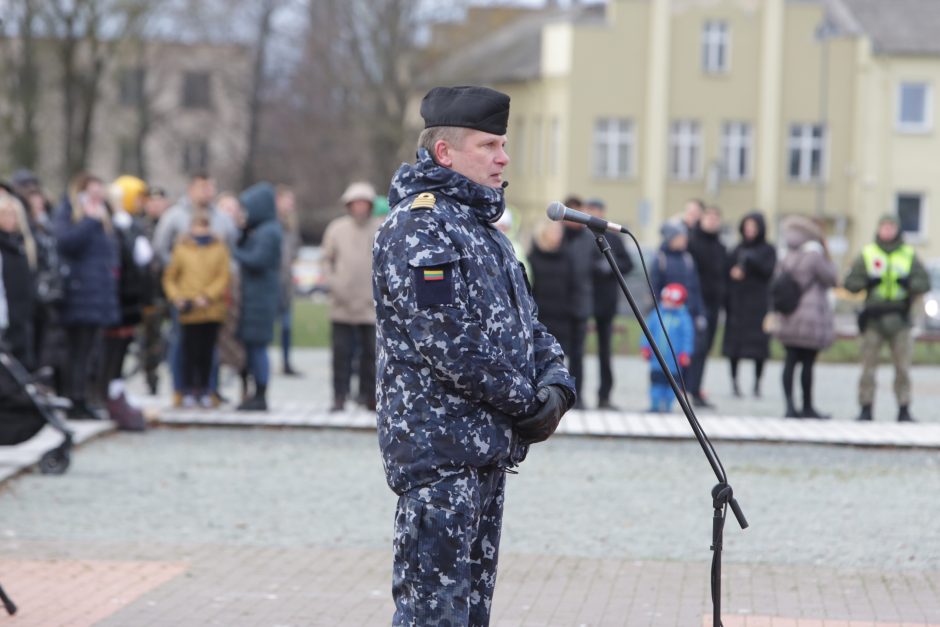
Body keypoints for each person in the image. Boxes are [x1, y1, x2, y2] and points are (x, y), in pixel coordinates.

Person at [373, 85, 575, 626]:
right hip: (439, 459)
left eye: (503, 145)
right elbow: (449, 343)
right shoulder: (419, 227)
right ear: (446, 153)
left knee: (470, 615)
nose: (503, 157)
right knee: (432, 615)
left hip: (484, 451)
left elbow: (529, 326)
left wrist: (557, 387)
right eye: (489, 145)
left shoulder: (487, 235)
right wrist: (527, 402)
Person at [152, 173, 235, 406]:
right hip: (185, 297)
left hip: (211, 301)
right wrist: (181, 287)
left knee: (210, 348)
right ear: (191, 189)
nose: (207, 192)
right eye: (202, 187)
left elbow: (229, 257)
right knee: (182, 344)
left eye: (211, 187)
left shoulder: (222, 219)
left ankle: (209, 389)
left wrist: (209, 292)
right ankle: (182, 389)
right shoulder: (174, 217)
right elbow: (161, 250)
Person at [843, 214, 931, 422]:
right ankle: (866, 407)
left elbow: (924, 283)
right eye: (884, 226)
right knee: (868, 367)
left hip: (900, 319)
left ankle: (904, 408)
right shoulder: (868, 253)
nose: (888, 230)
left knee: (903, 368)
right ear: (879, 229)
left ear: (897, 229)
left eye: (891, 226)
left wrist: (908, 283)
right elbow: (850, 283)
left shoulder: (908, 254)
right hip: (874, 318)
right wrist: (867, 282)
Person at [53, 173, 119, 420]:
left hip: (98, 294)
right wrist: (89, 221)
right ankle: (73, 399)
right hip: (78, 293)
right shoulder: (71, 213)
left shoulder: (103, 216)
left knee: (90, 351)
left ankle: (84, 397)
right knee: (76, 351)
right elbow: (65, 242)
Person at [162, 209, 230, 408]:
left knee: (208, 352)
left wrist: (208, 296)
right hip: (189, 309)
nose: (201, 230)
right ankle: (188, 389)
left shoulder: (219, 248)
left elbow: (223, 276)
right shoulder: (182, 249)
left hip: (211, 309)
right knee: (189, 351)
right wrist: (177, 297)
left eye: (204, 226)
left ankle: (207, 389)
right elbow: (171, 276)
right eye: (197, 226)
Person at [322, 181, 380, 412]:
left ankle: (368, 396)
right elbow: (326, 259)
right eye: (355, 203)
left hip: (370, 303)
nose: (359, 207)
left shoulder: (379, 228)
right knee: (341, 353)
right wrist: (333, 282)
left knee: (371, 353)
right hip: (341, 302)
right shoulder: (336, 229)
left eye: (363, 202)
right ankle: (339, 395)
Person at [772, 215, 838, 419]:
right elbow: (832, 278)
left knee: (790, 360)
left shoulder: (787, 255)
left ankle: (790, 407)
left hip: (789, 314)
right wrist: (827, 254)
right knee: (807, 362)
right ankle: (807, 406)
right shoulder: (814, 255)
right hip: (810, 316)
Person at [232, 182, 282, 412]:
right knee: (252, 348)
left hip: (259, 300)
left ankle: (260, 394)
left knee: (258, 348)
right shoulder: (263, 230)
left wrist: (233, 251)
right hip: (254, 299)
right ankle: (254, 393)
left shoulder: (268, 232)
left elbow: (257, 261)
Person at [585, 198, 633, 410]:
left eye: (597, 210)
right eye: (591, 210)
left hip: (606, 300)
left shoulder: (613, 238)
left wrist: (609, 266)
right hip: (584, 298)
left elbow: (628, 263)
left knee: (605, 351)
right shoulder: (581, 237)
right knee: (576, 351)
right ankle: (574, 396)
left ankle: (604, 396)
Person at [722, 212, 776, 397]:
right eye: (747, 227)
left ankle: (757, 384)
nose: (750, 231)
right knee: (734, 347)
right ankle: (734, 383)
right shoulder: (736, 250)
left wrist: (751, 261)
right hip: (738, 305)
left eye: (754, 227)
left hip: (758, 305)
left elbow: (768, 271)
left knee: (759, 348)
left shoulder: (767, 250)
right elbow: (726, 272)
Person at [685, 204, 727, 408]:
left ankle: (696, 390)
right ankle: (683, 388)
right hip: (694, 303)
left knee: (705, 349)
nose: (712, 221)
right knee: (691, 347)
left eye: (715, 218)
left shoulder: (721, 247)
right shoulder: (692, 242)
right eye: (708, 217)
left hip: (713, 304)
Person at [559, 194, 594, 409]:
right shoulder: (557, 236)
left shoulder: (589, 239)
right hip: (559, 305)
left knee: (578, 355)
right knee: (557, 352)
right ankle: (558, 395)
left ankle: (578, 395)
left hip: (580, 303)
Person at [640, 283, 694, 413]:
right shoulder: (656, 315)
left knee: (672, 384)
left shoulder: (684, 318)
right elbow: (648, 331)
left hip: (674, 361)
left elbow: (687, 337)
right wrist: (645, 347)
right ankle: (655, 404)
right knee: (656, 382)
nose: (666, 303)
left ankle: (668, 405)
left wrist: (685, 353)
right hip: (656, 361)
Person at [0, 189, 37, 369]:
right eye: (5, 215)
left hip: (22, 311)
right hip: (5, 312)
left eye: (13, 215)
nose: (10, 220)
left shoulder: (22, 244)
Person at [276, 185, 303, 376]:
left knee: (287, 326)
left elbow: (294, 248)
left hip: (286, 281)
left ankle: (286, 362)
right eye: (288, 200)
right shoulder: (271, 223)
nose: (291, 204)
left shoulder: (292, 224)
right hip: (273, 281)